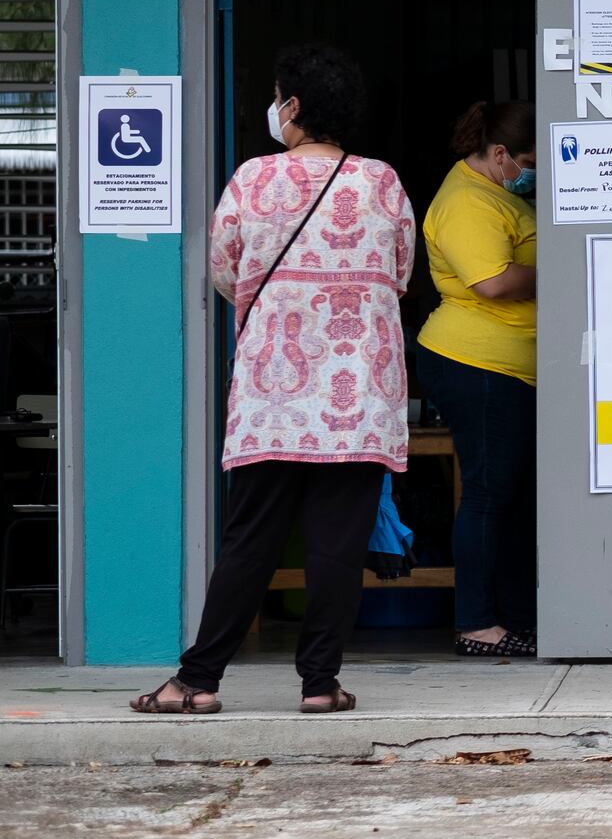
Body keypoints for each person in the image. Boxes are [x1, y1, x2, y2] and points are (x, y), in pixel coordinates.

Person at [132, 43, 414, 716]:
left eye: (277, 95)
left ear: (292, 106)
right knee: (337, 546)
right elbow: (400, 274)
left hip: (273, 395)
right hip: (359, 397)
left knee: (250, 539)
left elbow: (226, 271)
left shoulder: (254, 180)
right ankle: (320, 683)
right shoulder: (382, 183)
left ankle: (197, 679)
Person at [414, 101, 542, 659]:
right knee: (489, 494)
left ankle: (519, 618)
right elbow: (491, 281)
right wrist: (569, 264)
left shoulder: (494, 192)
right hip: (478, 364)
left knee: (512, 497)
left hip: (508, 364)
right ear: (499, 154)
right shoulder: (468, 201)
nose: (535, 174)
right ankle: (475, 623)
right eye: (529, 163)